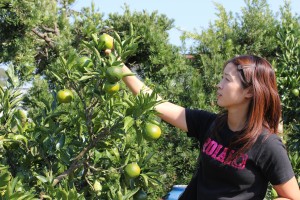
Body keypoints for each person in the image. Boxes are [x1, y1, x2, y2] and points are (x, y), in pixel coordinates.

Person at [121, 55, 300, 199]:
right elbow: (157, 104)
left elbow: (293, 197)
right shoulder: (211, 124)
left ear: (250, 91)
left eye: (227, 80)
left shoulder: (267, 144)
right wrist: (120, 67)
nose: (219, 85)